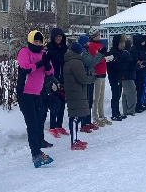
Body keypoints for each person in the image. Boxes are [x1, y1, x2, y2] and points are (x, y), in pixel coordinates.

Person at [16, 31, 56, 167]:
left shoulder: (43, 54)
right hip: (25, 94)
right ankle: (36, 154)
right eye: (35, 41)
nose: (37, 44)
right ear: (30, 41)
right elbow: (26, 68)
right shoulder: (24, 52)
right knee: (32, 124)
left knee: (39, 122)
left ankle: (38, 148)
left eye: (40, 41)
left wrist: (47, 63)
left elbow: (50, 73)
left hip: (37, 93)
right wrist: (40, 63)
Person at [63, 42, 93, 150]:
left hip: (73, 92)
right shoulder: (76, 62)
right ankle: (74, 142)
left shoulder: (69, 61)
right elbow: (82, 79)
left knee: (76, 116)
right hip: (76, 92)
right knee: (75, 117)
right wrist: (92, 78)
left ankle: (75, 139)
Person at [45, 28, 68, 138]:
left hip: (63, 79)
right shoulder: (49, 48)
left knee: (62, 103)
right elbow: (47, 65)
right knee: (55, 103)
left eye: (60, 36)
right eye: (57, 36)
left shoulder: (64, 48)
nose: (59, 38)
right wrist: (50, 80)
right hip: (53, 79)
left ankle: (59, 125)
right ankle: (52, 126)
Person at [78, 33, 104, 131]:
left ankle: (88, 122)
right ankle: (84, 123)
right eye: (87, 42)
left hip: (90, 76)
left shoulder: (86, 51)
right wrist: (99, 55)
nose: (89, 43)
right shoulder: (83, 52)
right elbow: (90, 63)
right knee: (86, 101)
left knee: (89, 101)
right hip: (86, 78)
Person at [88, 29, 113, 127]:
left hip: (102, 72)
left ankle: (102, 115)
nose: (99, 36)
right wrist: (106, 58)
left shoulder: (99, 45)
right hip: (97, 73)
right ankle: (95, 117)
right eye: (97, 35)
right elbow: (96, 59)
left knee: (101, 96)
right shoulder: (92, 46)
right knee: (97, 97)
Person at [107, 34, 127, 121]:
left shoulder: (119, 52)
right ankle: (114, 113)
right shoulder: (113, 52)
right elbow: (112, 65)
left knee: (118, 94)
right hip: (114, 76)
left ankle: (117, 112)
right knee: (115, 95)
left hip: (118, 75)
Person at [120, 38, 138, 118]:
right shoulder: (126, 54)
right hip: (128, 75)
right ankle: (130, 110)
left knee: (125, 93)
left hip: (126, 75)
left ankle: (126, 109)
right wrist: (135, 65)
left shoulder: (124, 53)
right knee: (131, 93)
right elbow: (128, 65)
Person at [133, 34, 146, 112]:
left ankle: (140, 104)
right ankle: (137, 105)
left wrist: (144, 63)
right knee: (138, 88)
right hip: (137, 71)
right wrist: (139, 63)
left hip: (142, 70)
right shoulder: (134, 49)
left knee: (141, 88)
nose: (144, 42)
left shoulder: (142, 49)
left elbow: (145, 58)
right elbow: (135, 60)